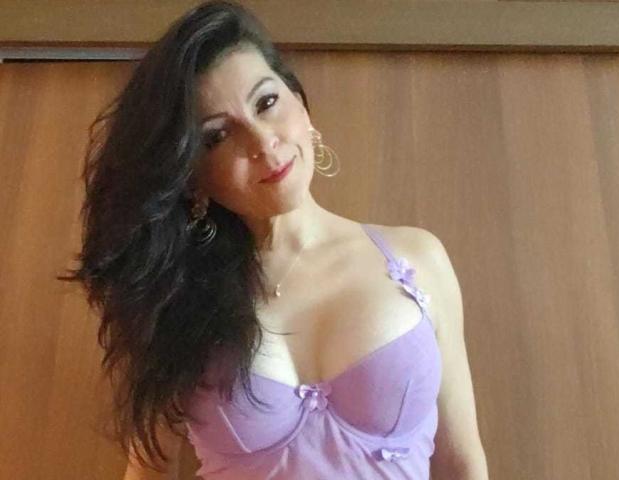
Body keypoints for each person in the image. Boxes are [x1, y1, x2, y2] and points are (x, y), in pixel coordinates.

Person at [59, 1, 488, 479]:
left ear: (300, 104)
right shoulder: (174, 302)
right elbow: (148, 473)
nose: (263, 142)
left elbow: (461, 462)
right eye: (218, 136)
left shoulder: (417, 257)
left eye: (266, 103)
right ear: (191, 175)